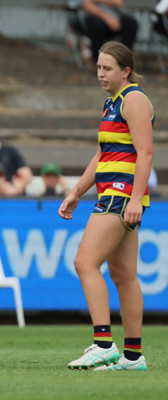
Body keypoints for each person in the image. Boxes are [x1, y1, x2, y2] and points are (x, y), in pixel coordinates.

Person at [59, 41, 153, 371]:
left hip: (120, 194)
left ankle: (102, 343)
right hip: (112, 192)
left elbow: (146, 153)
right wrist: (77, 191)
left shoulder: (134, 99)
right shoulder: (110, 103)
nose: (100, 73)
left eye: (107, 68)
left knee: (85, 262)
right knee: (124, 275)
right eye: (98, 67)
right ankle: (132, 356)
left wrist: (135, 199)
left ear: (126, 71)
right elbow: (103, 154)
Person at [70, 0, 138, 64]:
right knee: (98, 26)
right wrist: (107, 18)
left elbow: (118, 2)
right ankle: (98, 61)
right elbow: (86, 5)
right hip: (87, 19)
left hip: (113, 17)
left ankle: (123, 60)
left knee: (131, 24)